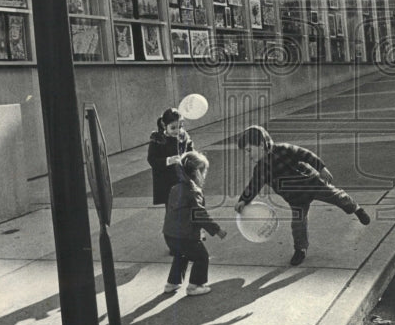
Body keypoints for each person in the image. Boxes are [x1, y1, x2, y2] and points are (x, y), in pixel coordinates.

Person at [234, 125, 371, 267]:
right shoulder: (260, 169)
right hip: (295, 199)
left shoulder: (283, 149)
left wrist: (321, 167)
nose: (247, 155)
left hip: (312, 184)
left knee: (337, 197)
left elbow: (305, 154)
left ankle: (356, 209)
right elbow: (254, 185)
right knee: (298, 225)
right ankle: (301, 249)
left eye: (249, 150)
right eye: (245, 152)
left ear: (261, 145)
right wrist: (243, 200)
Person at [162, 151, 226, 296]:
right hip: (186, 236)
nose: (204, 177)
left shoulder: (175, 188)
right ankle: (194, 286)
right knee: (201, 257)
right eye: (204, 172)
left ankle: (171, 283)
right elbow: (200, 215)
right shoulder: (193, 191)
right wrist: (217, 230)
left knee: (181, 255)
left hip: (170, 234)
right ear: (197, 173)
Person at [147, 107, 193, 205]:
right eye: (173, 128)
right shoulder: (158, 139)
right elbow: (152, 159)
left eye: (180, 127)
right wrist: (168, 160)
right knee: (171, 207)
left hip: (182, 178)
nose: (177, 131)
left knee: (185, 206)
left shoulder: (183, 136)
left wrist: (188, 160)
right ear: (164, 125)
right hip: (167, 181)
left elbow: (191, 152)